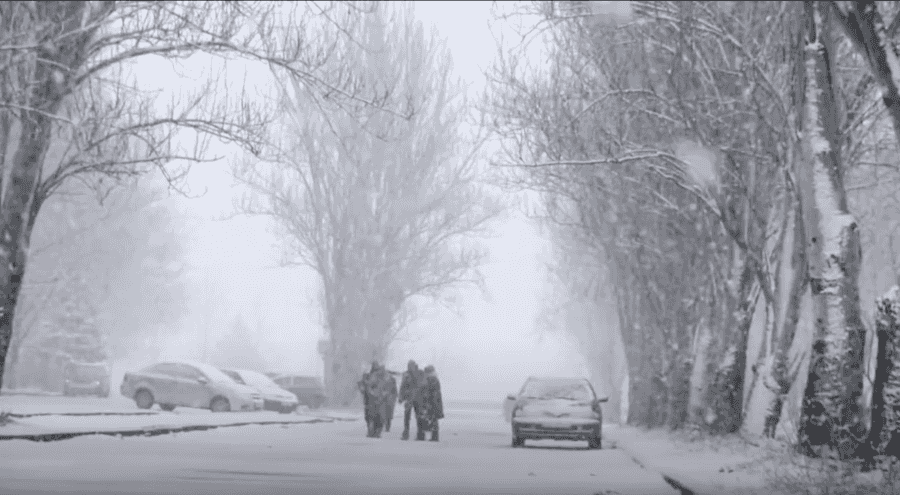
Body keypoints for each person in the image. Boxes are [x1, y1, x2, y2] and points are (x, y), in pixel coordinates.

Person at [364, 361, 393, 438]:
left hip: (382, 400)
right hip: (373, 399)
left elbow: (389, 388)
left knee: (380, 417)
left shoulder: (386, 377)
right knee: (371, 416)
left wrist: (385, 394)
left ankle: (377, 432)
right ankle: (371, 431)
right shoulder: (374, 376)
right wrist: (372, 393)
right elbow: (369, 386)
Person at [398, 360, 424, 440]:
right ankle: (406, 433)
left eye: (410, 365)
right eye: (408, 365)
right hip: (409, 398)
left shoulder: (420, 373)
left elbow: (424, 385)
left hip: (418, 398)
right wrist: (401, 397)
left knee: (419, 417)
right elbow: (402, 386)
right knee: (407, 416)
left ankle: (420, 434)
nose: (409, 367)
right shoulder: (406, 374)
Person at [417, 364, 444, 442]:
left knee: (430, 419)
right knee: (429, 419)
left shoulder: (432, 380)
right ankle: (430, 436)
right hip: (430, 402)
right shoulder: (431, 379)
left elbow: (431, 392)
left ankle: (430, 436)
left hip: (431, 402)